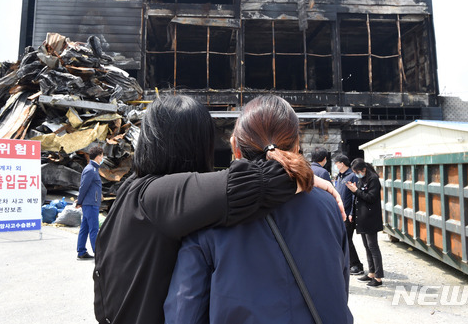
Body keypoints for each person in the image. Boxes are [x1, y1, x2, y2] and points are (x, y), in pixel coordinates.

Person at [93, 95, 344, 324]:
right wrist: (304, 176)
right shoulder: (165, 196)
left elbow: (185, 309)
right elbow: (247, 184)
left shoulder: (134, 189)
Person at [164, 95, 353, 324]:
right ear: (296, 146)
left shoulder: (208, 212)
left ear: (235, 147)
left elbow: (184, 313)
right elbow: (340, 286)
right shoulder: (328, 205)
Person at [346, 157, 384, 287]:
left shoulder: (373, 178)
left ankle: (378, 277)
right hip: (363, 217)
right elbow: (361, 194)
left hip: (370, 218)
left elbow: (371, 197)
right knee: (367, 247)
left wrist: (356, 191)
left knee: (373, 247)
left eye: (357, 172)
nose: (357, 174)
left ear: (363, 169)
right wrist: (356, 190)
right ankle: (371, 273)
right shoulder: (363, 178)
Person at [334, 154, 364, 275]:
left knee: (347, 239)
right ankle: (349, 263)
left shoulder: (352, 176)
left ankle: (356, 265)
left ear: (342, 163)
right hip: (340, 213)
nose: (335, 165)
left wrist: (352, 212)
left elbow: (354, 196)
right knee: (343, 239)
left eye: (336, 163)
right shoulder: (339, 177)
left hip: (348, 214)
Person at [76, 146, 104, 260]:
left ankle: (81, 251)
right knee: (94, 229)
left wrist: (99, 194)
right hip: (91, 204)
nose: (103, 158)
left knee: (85, 228)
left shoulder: (93, 169)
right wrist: (80, 201)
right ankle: (98, 254)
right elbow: (84, 187)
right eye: (102, 156)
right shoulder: (91, 170)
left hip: (91, 203)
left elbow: (92, 186)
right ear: (98, 157)